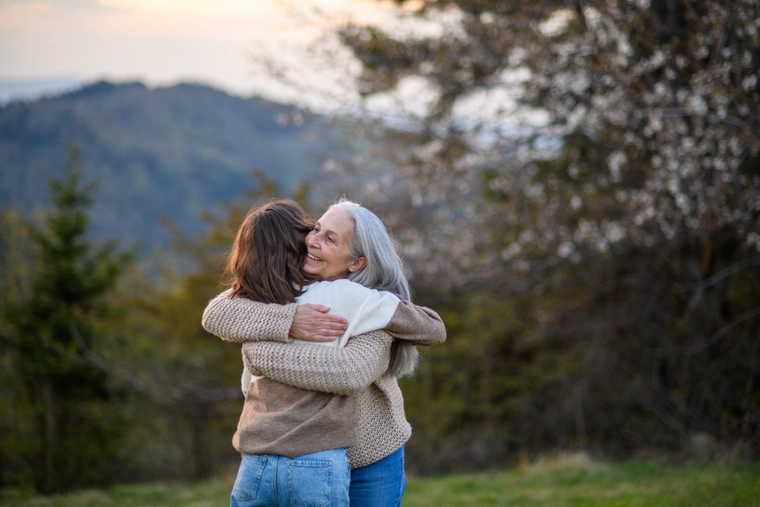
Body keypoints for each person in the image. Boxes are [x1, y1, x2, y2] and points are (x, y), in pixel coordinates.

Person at [203, 199, 446, 507]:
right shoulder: (284, 286)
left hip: (369, 454)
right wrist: (289, 321)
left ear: (356, 262)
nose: (313, 241)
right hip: (307, 454)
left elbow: (348, 373)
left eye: (330, 239)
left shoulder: (369, 308)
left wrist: (259, 354)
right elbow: (217, 312)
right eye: (316, 228)